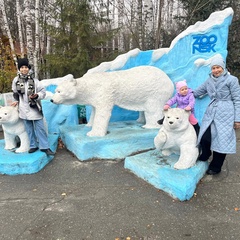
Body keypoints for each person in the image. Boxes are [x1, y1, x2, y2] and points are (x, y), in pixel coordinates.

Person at [194, 56, 240, 175]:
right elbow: (198, 91)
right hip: (211, 111)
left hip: (226, 112)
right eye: (213, 68)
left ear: (223, 67)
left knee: (222, 139)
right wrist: (183, 94)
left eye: (218, 67)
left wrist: (237, 119)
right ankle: (206, 154)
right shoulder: (209, 80)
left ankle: (216, 166)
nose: (216, 70)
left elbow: (237, 99)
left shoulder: (232, 80)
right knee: (205, 136)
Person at [11, 58, 54, 155]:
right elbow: (15, 92)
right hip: (23, 109)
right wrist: (16, 101)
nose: (24, 69)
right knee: (29, 129)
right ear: (19, 69)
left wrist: (37, 95)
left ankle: (44, 147)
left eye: (26, 67)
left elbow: (42, 92)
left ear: (28, 68)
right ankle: (33, 145)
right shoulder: (16, 80)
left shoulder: (35, 81)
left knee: (40, 128)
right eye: (22, 67)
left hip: (35, 108)